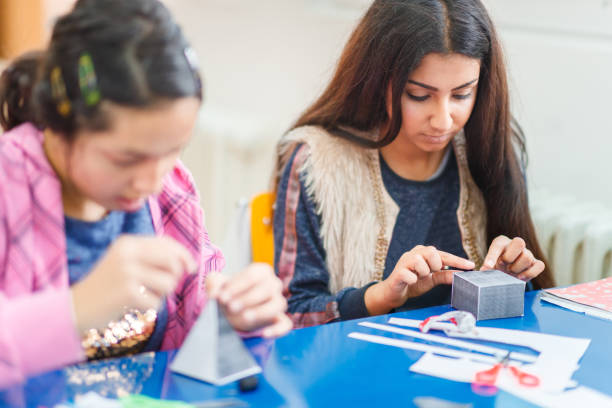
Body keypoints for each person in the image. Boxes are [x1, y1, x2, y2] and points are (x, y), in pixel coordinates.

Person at [0, 0, 290, 386]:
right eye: (125, 159)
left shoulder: (170, 187)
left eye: (173, 151)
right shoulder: (9, 188)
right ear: (59, 122)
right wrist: (76, 309)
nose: (151, 181)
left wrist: (232, 314)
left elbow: (194, 309)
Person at [273, 0, 554, 328]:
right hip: (362, 370)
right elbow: (293, 315)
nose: (443, 120)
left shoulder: (489, 149)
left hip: (467, 367)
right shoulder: (315, 164)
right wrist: (379, 296)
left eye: (462, 94)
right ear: (378, 80)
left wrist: (513, 281)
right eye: (420, 96)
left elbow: (525, 311)